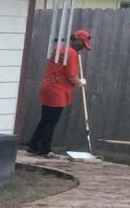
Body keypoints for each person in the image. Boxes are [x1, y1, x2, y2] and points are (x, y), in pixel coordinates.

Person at [27, 29, 93, 158]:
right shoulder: (72, 53)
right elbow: (72, 77)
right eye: (83, 45)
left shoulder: (59, 49)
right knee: (51, 122)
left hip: (47, 87)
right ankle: (45, 150)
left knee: (45, 120)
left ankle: (33, 146)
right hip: (58, 92)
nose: (83, 48)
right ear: (77, 40)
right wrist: (81, 82)